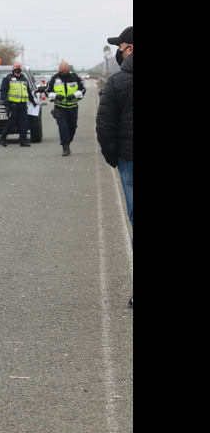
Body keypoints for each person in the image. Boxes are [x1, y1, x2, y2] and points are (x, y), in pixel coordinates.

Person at [96, 26, 133, 308]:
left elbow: (105, 125)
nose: (119, 52)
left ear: (130, 48)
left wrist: (114, 157)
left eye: (120, 47)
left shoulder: (118, 81)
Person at [46, 61, 85, 156]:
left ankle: (68, 141)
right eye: (62, 70)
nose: (64, 72)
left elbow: (83, 89)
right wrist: (56, 96)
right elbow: (47, 91)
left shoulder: (75, 78)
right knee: (63, 127)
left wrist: (74, 95)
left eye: (65, 70)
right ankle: (65, 146)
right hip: (60, 107)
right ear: (59, 69)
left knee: (72, 127)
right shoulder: (54, 79)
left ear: (68, 69)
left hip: (72, 107)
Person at [0, 62, 37, 147]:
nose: (18, 68)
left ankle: (23, 140)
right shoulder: (8, 79)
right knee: (12, 122)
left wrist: (33, 101)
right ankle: (3, 136)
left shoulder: (24, 79)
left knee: (24, 123)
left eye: (19, 66)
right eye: (16, 66)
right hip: (13, 104)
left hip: (23, 104)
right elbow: (4, 91)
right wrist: (5, 102)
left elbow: (28, 91)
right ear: (13, 68)